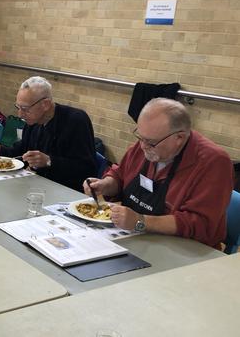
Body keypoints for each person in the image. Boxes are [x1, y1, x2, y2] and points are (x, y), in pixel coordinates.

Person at [84, 98, 234, 248]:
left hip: (186, 250)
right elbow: (121, 174)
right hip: (137, 238)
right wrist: (105, 184)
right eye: (140, 137)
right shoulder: (148, 143)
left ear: (179, 138)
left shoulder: (213, 162)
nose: (142, 146)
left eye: (150, 142)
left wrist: (140, 221)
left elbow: (199, 222)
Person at [0, 76, 97, 192]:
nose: (20, 114)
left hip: (66, 192)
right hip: (38, 186)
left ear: (45, 104)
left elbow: (86, 169)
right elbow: (22, 152)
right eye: (18, 107)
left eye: (25, 109)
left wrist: (49, 161)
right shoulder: (33, 121)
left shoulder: (75, 120)